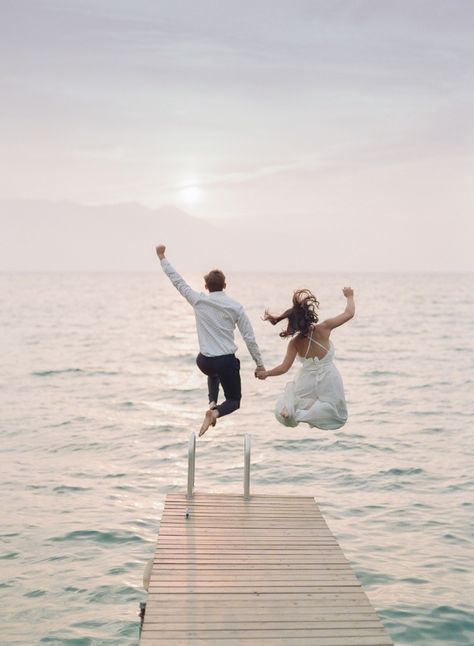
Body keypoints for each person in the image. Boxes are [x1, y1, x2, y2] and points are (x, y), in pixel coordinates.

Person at [156, 245, 265, 436]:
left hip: (204, 361)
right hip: (225, 361)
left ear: (206, 287)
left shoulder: (198, 300)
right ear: (225, 285)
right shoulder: (236, 307)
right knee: (234, 401)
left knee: (212, 373)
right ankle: (215, 412)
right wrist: (259, 364)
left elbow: (177, 281)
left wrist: (162, 257)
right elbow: (249, 338)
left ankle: (211, 402)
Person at [255, 287, 355, 430]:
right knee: (336, 413)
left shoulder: (295, 343)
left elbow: (284, 368)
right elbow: (349, 313)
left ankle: (290, 411)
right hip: (329, 378)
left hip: (306, 380)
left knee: (298, 399)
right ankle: (302, 415)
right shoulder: (324, 328)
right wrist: (349, 296)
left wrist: (266, 373)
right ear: (309, 315)